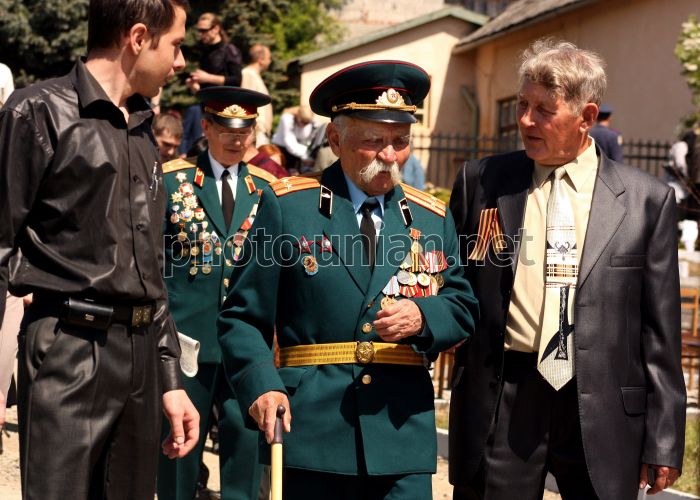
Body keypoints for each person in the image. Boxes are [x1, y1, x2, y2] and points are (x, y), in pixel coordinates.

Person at [218, 60, 478, 499]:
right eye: (374, 141)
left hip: (400, 433)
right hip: (312, 430)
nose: (390, 156)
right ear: (336, 139)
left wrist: (424, 316)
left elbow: (462, 305)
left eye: (400, 142)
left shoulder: (431, 217)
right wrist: (261, 384)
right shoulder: (289, 207)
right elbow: (242, 316)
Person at [448, 39, 685, 500]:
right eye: (522, 105)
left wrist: (664, 437)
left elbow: (660, 333)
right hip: (503, 397)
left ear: (587, 116)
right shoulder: (482, 182)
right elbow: (450, 282)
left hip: (603, 406)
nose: (525, 120)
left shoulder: (647, 201)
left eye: (543, 110)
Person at [0, 1, 200, 498]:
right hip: (66, 351)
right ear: (138, 38)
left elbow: (149, 267)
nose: (180, 63)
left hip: (140, 361)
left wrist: (170, 377)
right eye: (176, 45)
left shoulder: (143, 127)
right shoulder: (36, 112)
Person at [158, 86, 277, 500]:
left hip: (246, 347)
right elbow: (154, 262)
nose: (236, 140)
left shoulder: (267, 189)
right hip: (186, 343)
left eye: (244, 131)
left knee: (244, 451)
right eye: (226, 130)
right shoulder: (173, 180)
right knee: (178, 451)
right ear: (206, 128)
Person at [179, 12, 243, 156]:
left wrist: (207, 77)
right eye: (199, 31)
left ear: (216, 29)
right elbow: (208, 87)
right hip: (207, 110)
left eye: (204, 30)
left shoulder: (229, 50)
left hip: (226, 111)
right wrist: (196, 87)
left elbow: (236, 80)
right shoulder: (205, 51)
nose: (201, 34)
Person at [241, 44, 273, 146]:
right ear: (260, 59)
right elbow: (245, 102)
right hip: (255, 131)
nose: (270, 61)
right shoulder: (248, 74)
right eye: (268, 58)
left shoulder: (254, 75)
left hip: (260, 131)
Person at [271, 104, 318, 173]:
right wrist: (306, 156)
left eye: (307, 123)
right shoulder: (287, 119)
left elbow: (307, 139)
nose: (304, 125)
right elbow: (290, 143)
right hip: (281, 149)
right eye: (302, 121)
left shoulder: (311, 122)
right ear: (298, 115)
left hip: (297, 152)